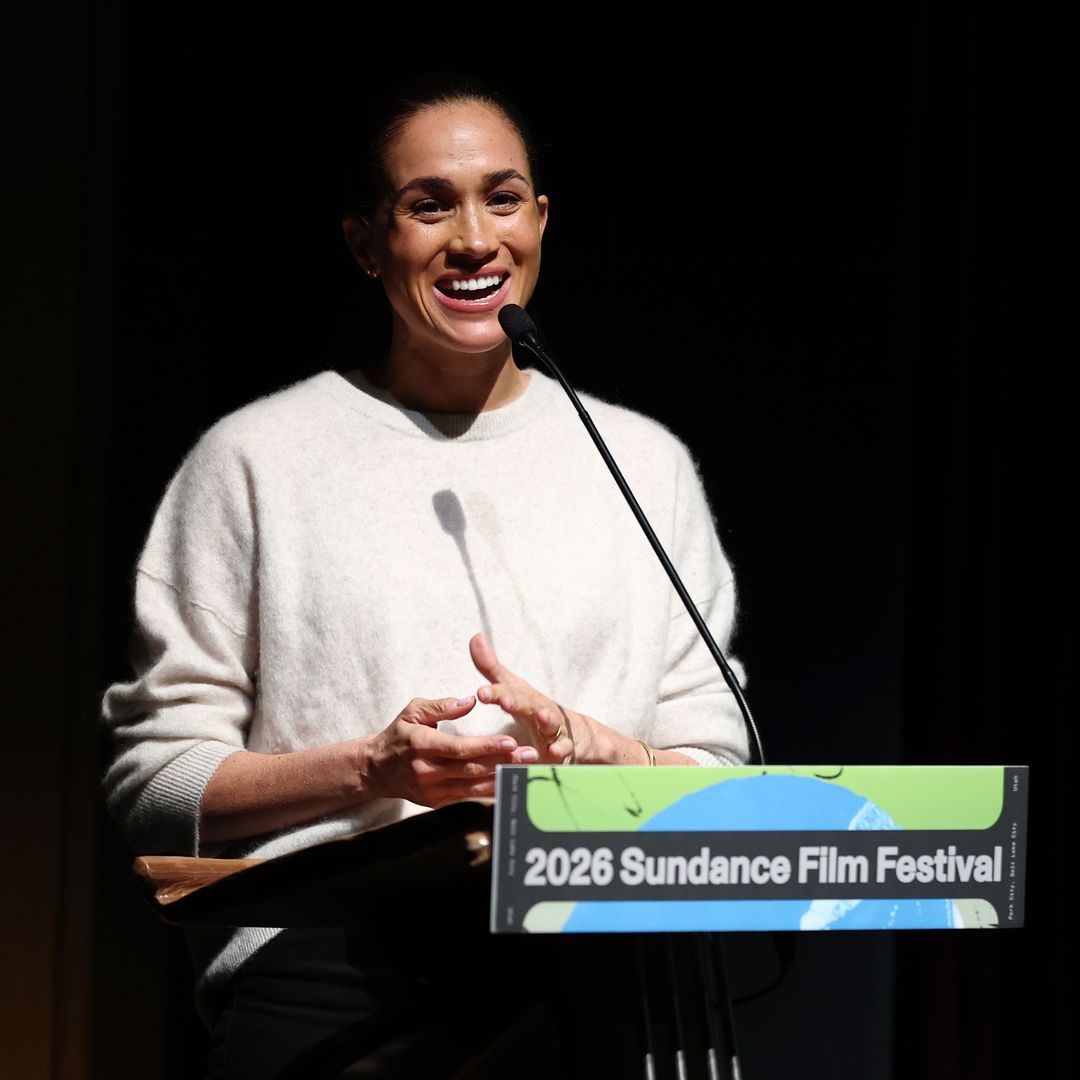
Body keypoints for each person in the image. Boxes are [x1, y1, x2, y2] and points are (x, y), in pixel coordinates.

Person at [102, 74, 749, 1078]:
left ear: (541, 221)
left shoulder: (643, 461)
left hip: (608, 967)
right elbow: (155, 786)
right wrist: (373, 771)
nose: (474, 238)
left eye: (502, 197)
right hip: (332, 984)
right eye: (428, 204)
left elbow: (722, 777)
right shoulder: (256, 459)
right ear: (366, 243)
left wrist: (604, 759)